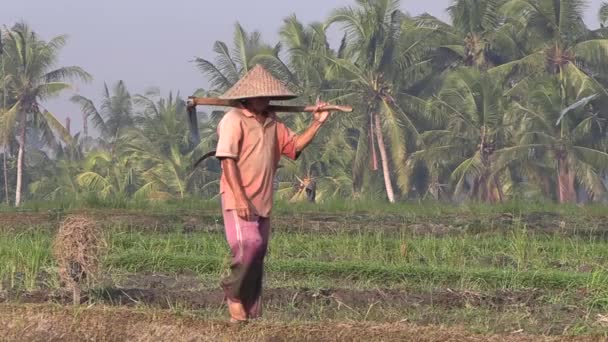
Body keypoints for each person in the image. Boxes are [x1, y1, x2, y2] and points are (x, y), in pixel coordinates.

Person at [214, 65, 329, 323]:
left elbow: (294, 146)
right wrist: (241, 198)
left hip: (263, 200)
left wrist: (317, 123)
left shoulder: (273, 123)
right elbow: (227, 161)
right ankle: (233, 296)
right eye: (261, 96)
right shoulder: (233, 120)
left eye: (269, 96)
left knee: (258, 255)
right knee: (248, 246)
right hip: (238, 197)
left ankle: (250, 313)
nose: (266, 100)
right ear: (247, 96)